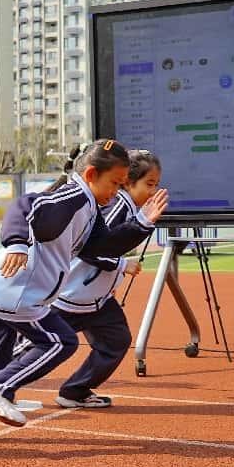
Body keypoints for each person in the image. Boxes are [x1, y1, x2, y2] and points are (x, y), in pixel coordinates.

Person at [0, 139, 168, 441]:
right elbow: (24, 205)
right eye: (115, 184)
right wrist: (16, 242)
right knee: (60, 342)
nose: (117, 192)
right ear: (91, 174)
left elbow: (102, 246)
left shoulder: (90, 206)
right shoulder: (73, 197)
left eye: (122, 186)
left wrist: (142, 222)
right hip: (16, 291)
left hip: (0, 288)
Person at [41, 148, 162, 408]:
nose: (153, 192)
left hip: (97, 300)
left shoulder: (128, 207)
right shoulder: (118, 205)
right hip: (71, 297)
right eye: (149, 184)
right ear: (128, 182)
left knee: (116, 340)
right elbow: (91, 249)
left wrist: (111, 282)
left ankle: (74, 391)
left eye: (157, 185)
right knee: (40, 344)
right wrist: (121, 265)